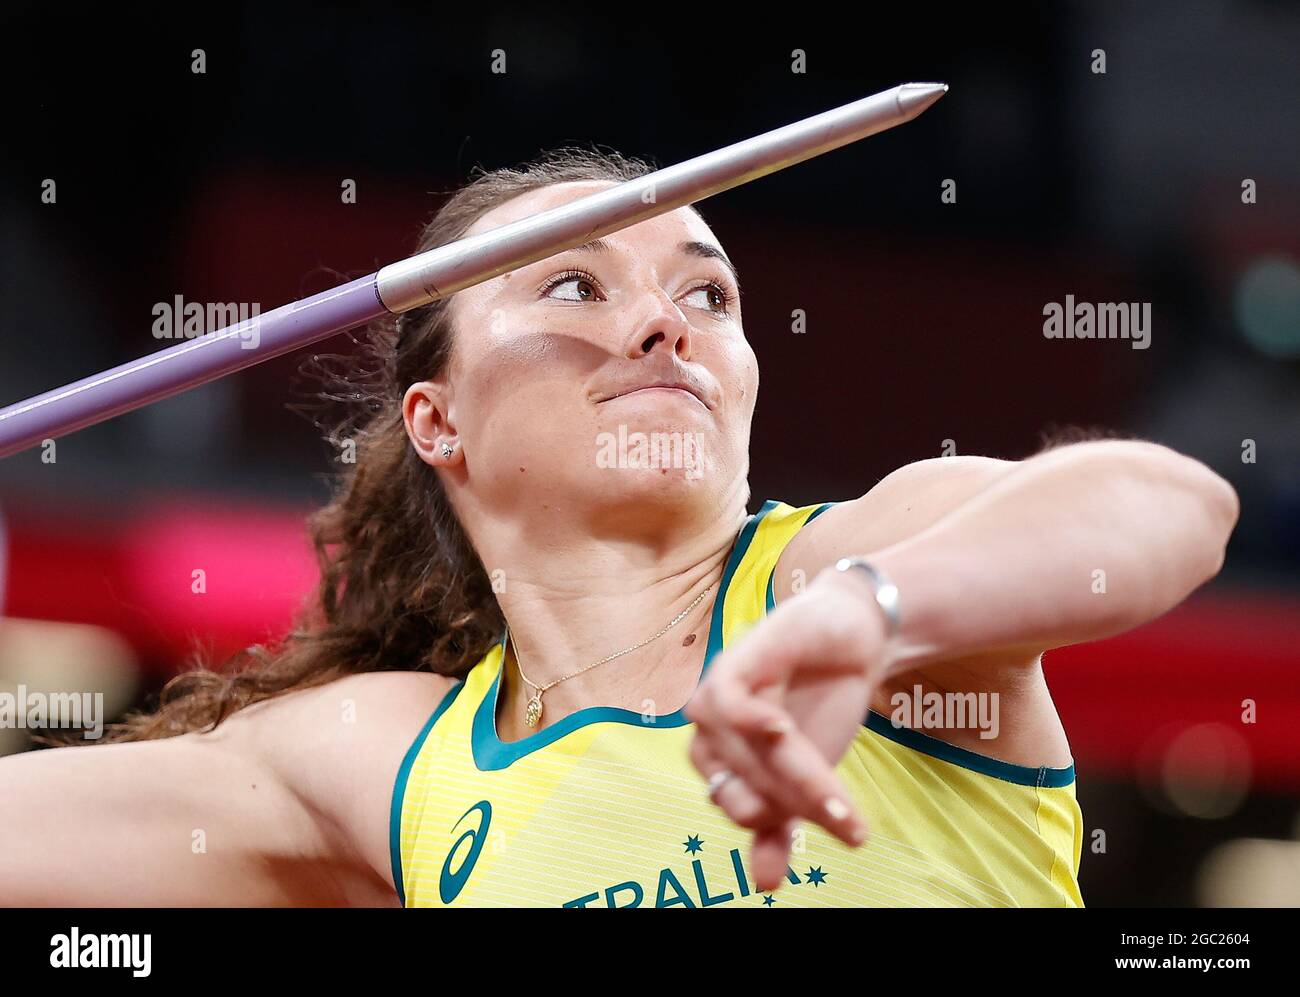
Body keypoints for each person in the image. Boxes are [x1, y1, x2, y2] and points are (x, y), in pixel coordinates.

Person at [0, 149, 1238, 907]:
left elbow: (1166, 502)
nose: (666, 325)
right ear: (439, 421)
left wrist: (875, 613)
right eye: (574, 284)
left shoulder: (840, 569)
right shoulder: (383, 764)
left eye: (707, 291)